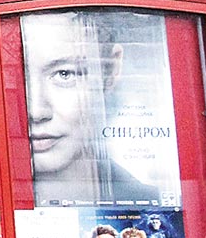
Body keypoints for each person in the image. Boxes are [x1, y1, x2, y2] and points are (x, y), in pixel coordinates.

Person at [20, 12, 160, 207]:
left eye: (64, 74)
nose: (36, 111)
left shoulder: (154, 207)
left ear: (109, 70)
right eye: (12, 75)